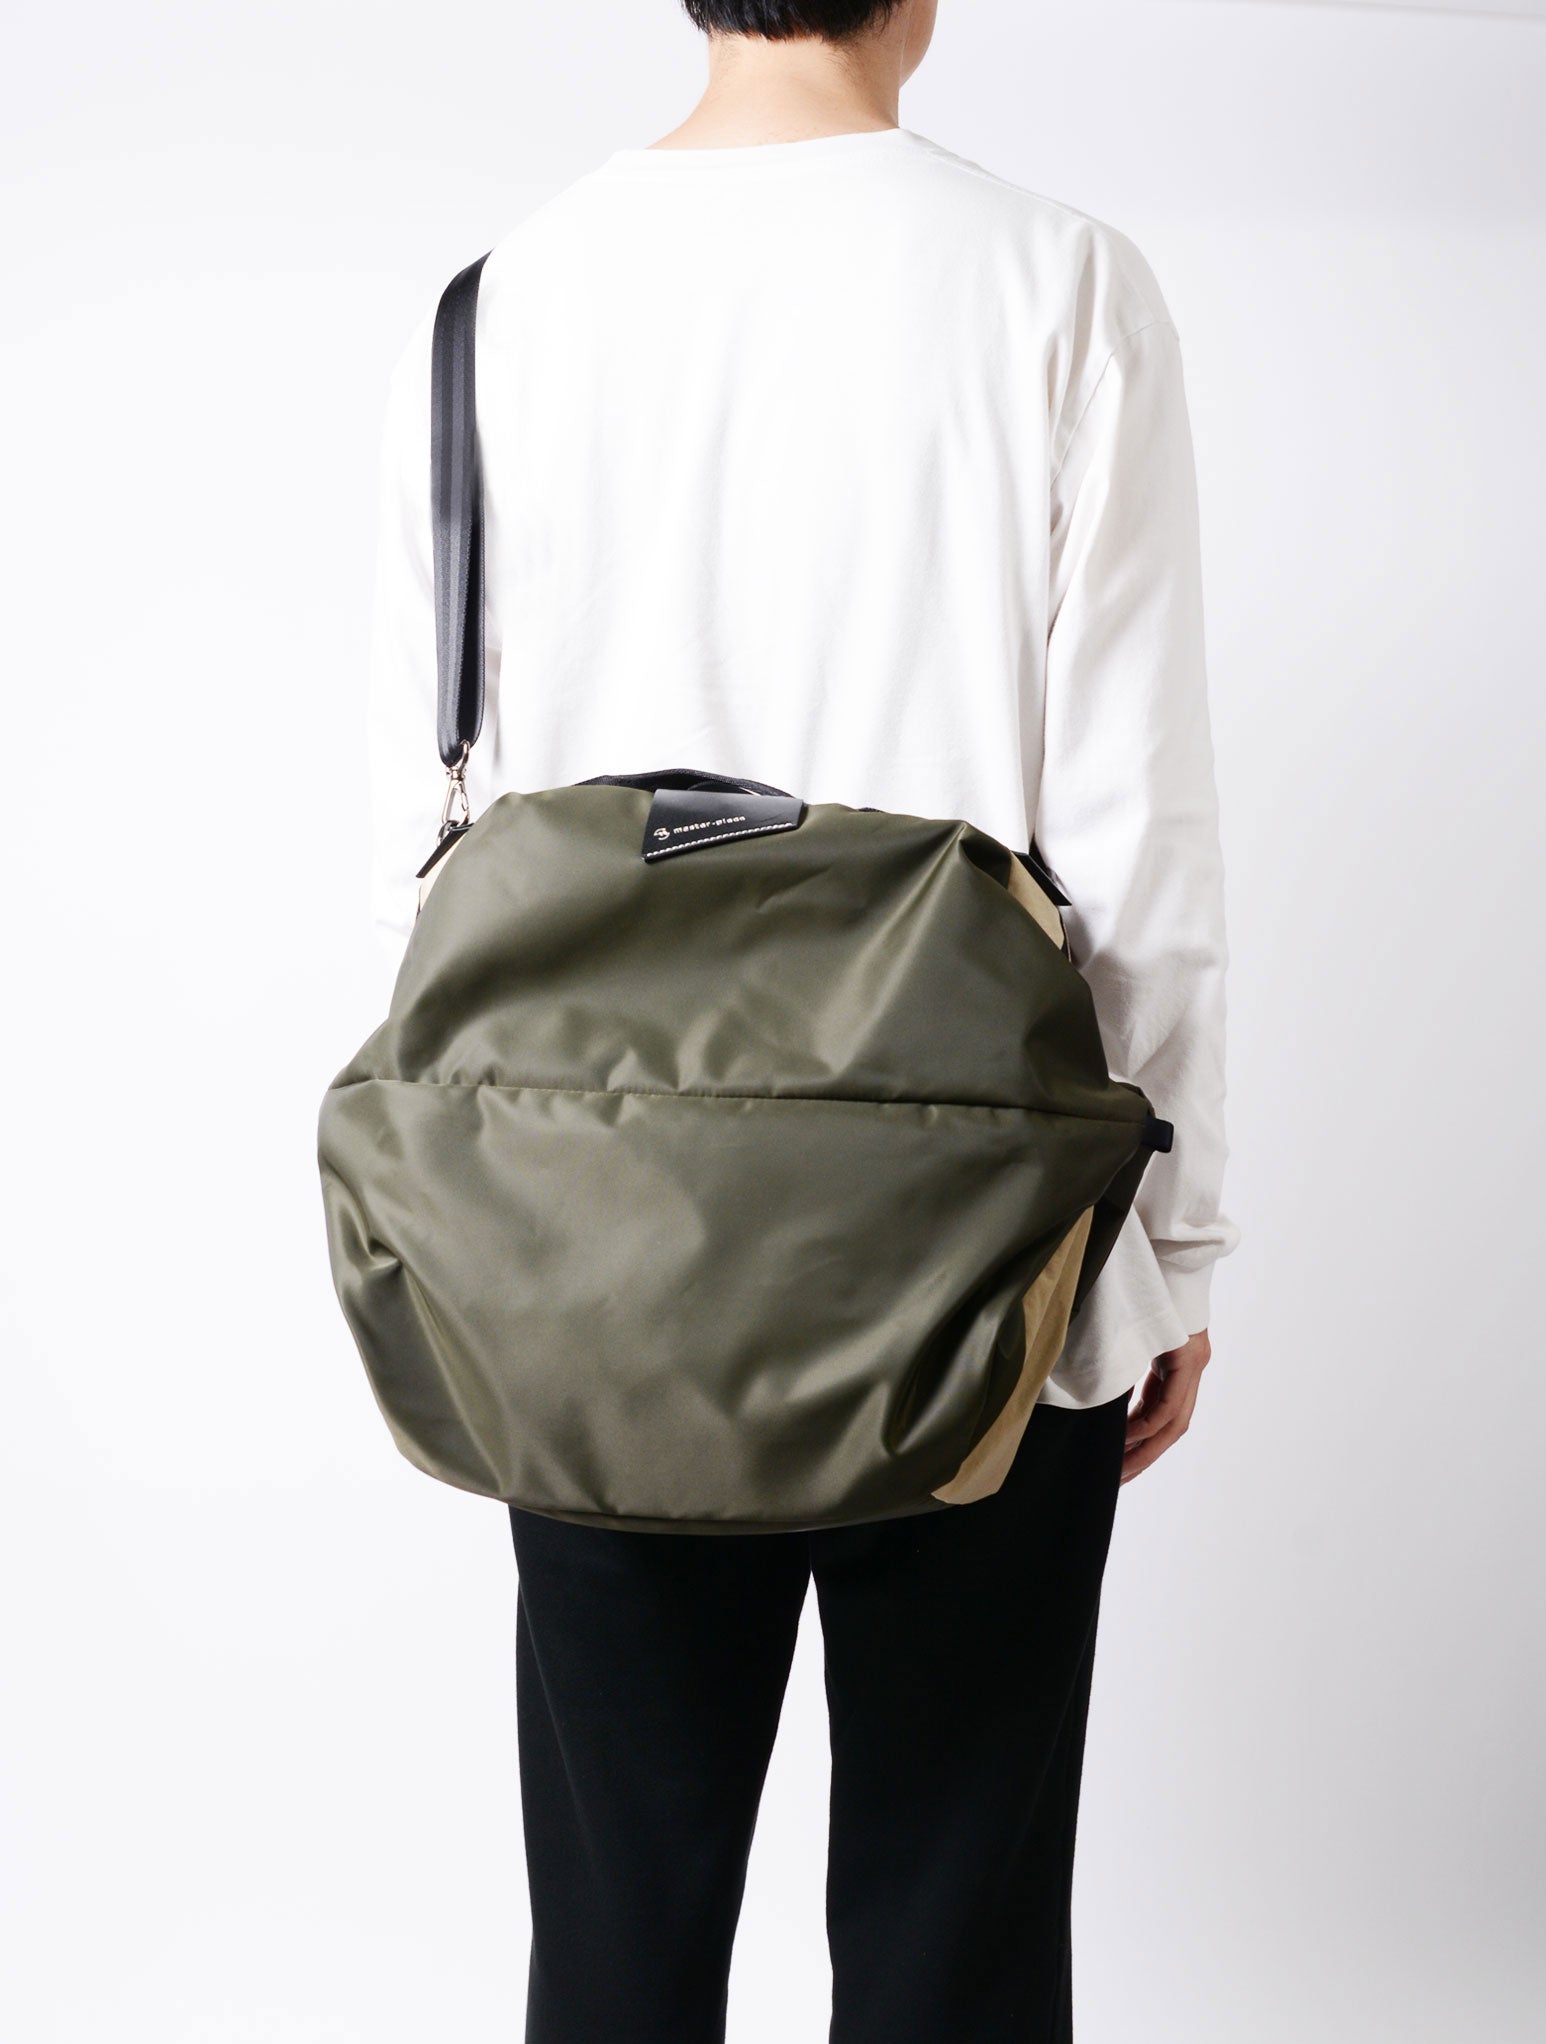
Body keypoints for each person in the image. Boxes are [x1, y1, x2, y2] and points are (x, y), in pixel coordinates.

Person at [366, 2, 1237, 2036]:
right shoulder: (1057, 287)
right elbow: (1137, 826)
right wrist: (1168, 1253)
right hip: (980, 1245)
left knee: (617, 1950)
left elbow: (430, 854)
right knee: (954, 1950)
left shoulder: (492, 310)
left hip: (592, 1240)